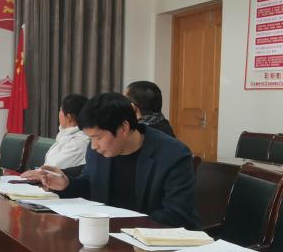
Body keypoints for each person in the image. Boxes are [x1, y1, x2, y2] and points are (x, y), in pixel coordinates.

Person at [25, 92, 199, 228]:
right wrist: (67, 185)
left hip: (159, 245)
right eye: (90, 138)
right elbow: (91, 185)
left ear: (123, 128)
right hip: (111, 236)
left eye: (97, 137)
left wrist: (119, 224)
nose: (93, 145)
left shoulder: (173, 154)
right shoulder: (98, 150)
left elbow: (176, 215)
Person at [20, 94, 89, 179]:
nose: (59, 113)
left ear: (68, 117)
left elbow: (55, 169)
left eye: (60, 110)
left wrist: (36, 173)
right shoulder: (66, 135)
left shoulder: (79, 143)